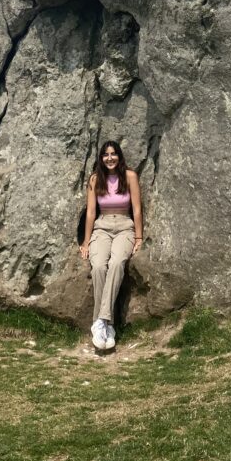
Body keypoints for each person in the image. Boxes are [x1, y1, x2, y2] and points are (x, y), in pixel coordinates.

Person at [79, 140, 143, 350]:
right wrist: (86, 241)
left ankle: (102, 322)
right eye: (106, 154)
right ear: (101, 158)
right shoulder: (95, 179)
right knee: (98, 267)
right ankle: (105, 325)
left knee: (117, 264)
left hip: (125, 226)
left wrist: (139, 237)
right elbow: (90, 212)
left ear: (119, 156)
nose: (109, 158)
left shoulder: (130, 176)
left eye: (113, 154)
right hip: (102, 226)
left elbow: (136, 209)